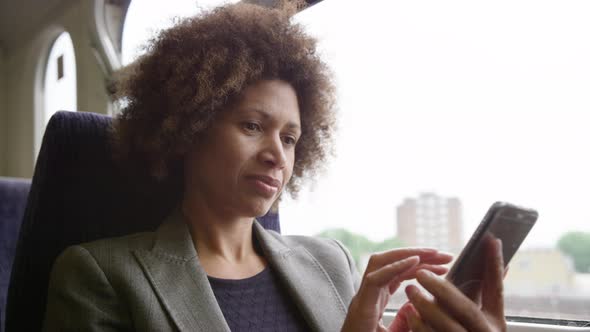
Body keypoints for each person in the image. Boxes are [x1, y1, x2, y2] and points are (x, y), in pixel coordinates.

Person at [42, 2, 507, 331]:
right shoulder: (98, 275)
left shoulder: (332, 262)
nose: (277, 155)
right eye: (251, 126)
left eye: (290, 138)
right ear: (189, 126)